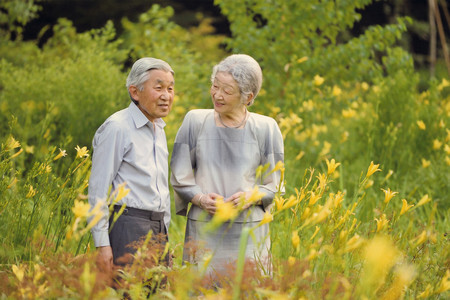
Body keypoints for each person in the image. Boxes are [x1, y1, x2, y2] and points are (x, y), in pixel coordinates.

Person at [170, 54, 284, 278]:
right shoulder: (195, 121)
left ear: (248, 97)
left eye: (227, 91)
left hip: (248, 232)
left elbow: (275, 186)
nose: (217, 95)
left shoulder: (267, 128)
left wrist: (250, 196)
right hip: (203, 227)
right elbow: (179, 176)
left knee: (247, 290)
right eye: (215, 86)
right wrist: (201, 199)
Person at [88, 57, 174, 272]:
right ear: (135, 92)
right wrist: (102, 244)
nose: (166, 96)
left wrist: (166, 238)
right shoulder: (117, 127)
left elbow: (161, 190)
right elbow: (98, 188)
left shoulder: (159, 129)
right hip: (128, 226)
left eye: (170, 88)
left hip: (158, 227)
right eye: (159, 88)